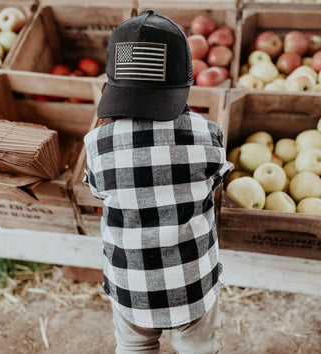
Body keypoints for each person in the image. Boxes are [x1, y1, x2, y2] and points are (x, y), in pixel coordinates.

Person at [83, 9, 233, 354]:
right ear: (185, 82)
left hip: (130, 284)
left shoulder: (98, 144)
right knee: (199, 348)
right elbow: (216, 177)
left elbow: (96, 189)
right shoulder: (208, 136)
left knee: (134, 347)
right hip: (193, 283)